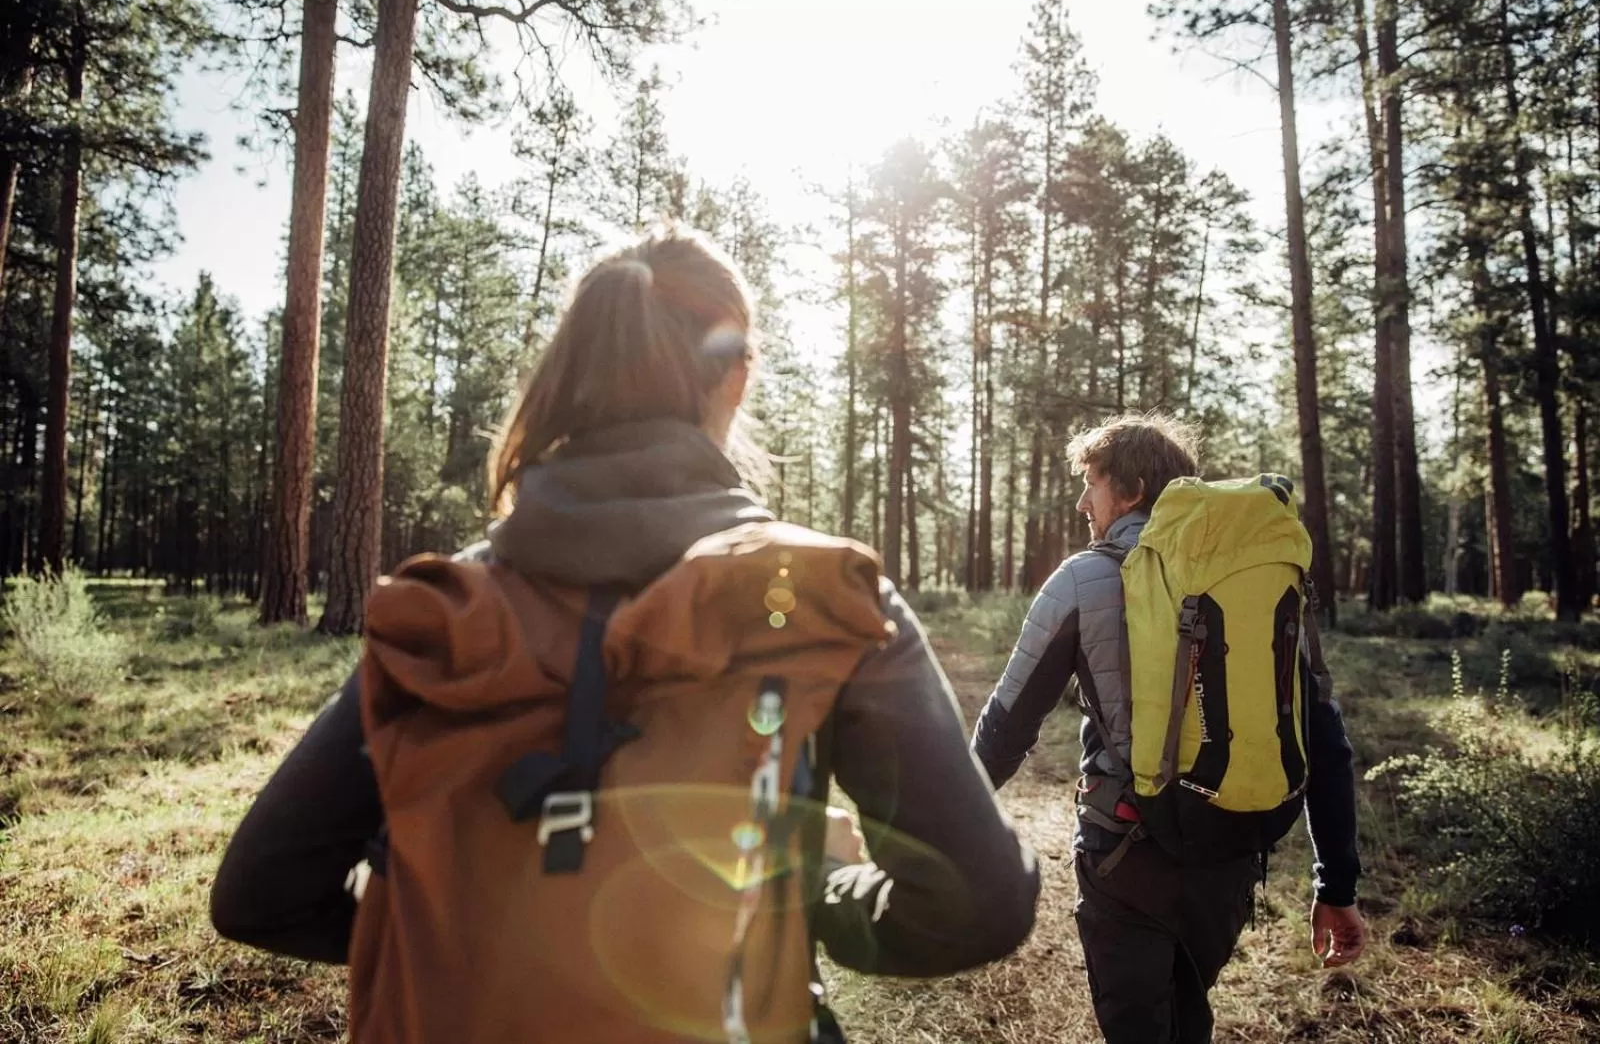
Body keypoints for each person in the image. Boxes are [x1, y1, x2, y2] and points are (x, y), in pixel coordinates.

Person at [210, 227, 1038, 1040]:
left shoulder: (446, 614)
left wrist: (474, 927)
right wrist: (806, 888)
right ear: (738, 377)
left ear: (573, 373)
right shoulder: (816, 597)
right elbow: (977, 900)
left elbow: (261, 890)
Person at [971, 414, 1365, 1044]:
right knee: (1188, 1011)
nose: (1081, 501)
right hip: (1231, 851)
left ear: (1127, 489)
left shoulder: (1081, 579)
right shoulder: (1258, 582)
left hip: (1126, 855)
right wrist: (1336, 883)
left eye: (1091, 484)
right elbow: (1323, 736)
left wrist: (939, 832)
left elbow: (1005, 727)